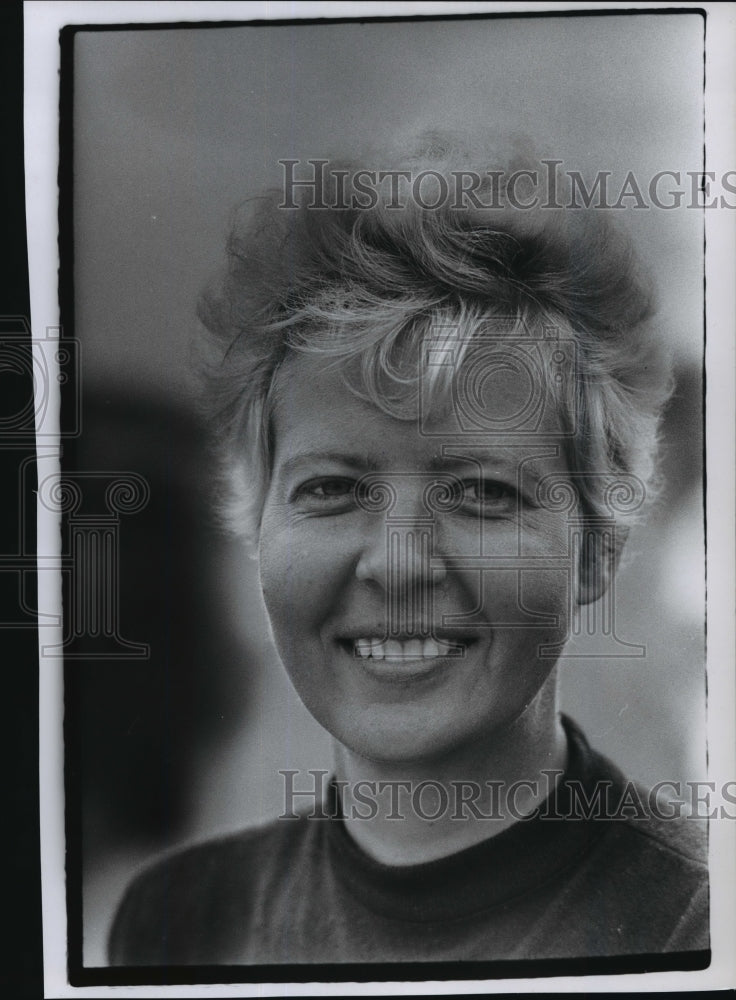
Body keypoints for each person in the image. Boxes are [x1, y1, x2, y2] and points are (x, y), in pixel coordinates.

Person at [108, 133, 708, 968]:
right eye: (332, 489)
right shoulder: (178, 918)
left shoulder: (700, 928)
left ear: (597, 548)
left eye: (483, 493)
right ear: (257, 527)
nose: (398, 564)